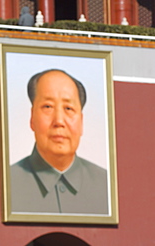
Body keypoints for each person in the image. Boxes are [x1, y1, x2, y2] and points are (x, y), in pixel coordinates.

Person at [10, 69, 108, 214]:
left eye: (68, 108)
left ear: (81, 121)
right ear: (32, 117)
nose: (59, 121)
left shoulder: (106, 186)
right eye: (48, 107)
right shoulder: (8, 183)